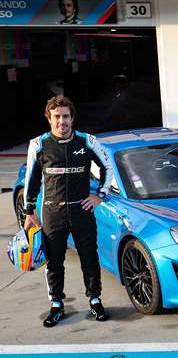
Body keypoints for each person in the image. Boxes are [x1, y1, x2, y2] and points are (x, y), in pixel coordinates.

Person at [23, 94, 113, 327]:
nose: (61, 121)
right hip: (52, 211)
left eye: (65, 116)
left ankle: (95, 300)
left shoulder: (87, 141)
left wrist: (100, 195)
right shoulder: (38, 144)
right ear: (49, 118)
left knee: (89, 257)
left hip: (82, 210)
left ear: (72, 118)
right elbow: (31, 179)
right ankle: (56, 304)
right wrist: (29, 211)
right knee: (54, 261)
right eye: (56, 117)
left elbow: (108, 167)